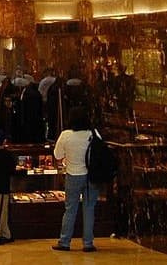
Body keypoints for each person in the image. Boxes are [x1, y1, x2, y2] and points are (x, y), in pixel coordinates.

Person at [52, 107, 99, 253]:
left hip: (73, 175)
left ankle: (65, 242)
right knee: (89, 209)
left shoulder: (66, 135)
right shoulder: (93, 133)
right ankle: (88, 243)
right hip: (91, 176)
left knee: (70, 209)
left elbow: (57, 155)